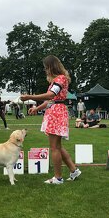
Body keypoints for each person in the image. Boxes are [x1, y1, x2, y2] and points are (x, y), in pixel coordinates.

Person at [20, 55, 81, 184]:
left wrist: (30, 97)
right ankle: (74, 170)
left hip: (56, 113)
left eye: (46, 68)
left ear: (50, 67)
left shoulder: (60, 79)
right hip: (56, 110)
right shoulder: (58, 80)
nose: (45, 70)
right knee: (58, 146)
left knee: (54, 147)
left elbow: (51, 95)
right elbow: (51, 100)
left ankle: (58, 178)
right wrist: (37, 108)